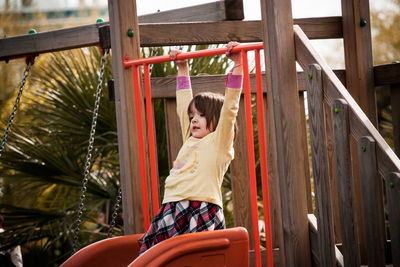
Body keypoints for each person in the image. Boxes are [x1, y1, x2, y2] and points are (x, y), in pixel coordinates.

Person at [138, 41, 243, 255]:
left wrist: (238, 66)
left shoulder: (219, 141)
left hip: (201, 206)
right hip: (172, 207)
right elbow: (182, 104)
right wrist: (182, 68)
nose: (194, 120)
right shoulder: (190, 137)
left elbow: (230, 108)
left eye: (201, 115)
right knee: (157, 256)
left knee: (194, 257)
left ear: (215, 119)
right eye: (192, 116)